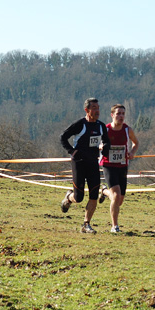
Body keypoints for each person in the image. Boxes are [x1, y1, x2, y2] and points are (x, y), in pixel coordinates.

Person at [60, 98, 110, 233]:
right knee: (79, 197)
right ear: (87, 110)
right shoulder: (80, 124)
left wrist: (105, 148)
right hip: (79, 164)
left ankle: (86, 224)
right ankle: (68, 198)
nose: (97, 110)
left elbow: (106, 141)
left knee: (94, 195)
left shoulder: (101, 126)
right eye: (94, 108)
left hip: (93, 163)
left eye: (98, 107)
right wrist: (72, 151)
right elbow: (63, 137)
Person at [98, 104, 139, 233]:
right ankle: (114, 226)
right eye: (118, 113)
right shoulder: (106, 129)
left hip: (122, 165)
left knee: (119, 201)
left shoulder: (127, 130)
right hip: (108, 165)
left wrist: (132, 153)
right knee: (115, 195)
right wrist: (100, 146)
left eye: (123, 114)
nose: (121, 116)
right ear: (112, 115)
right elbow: (97, 142)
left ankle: (104, 191)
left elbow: (136, 143)